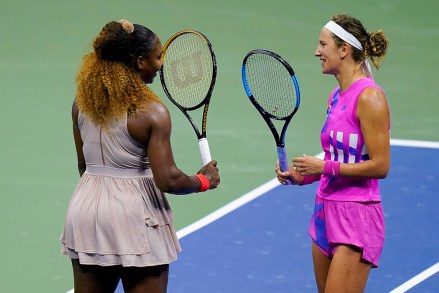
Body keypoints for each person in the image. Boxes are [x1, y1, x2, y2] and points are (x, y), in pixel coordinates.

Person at [60, 19, 220, 293]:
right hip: (134, 217)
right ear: (138, 62)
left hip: (86, 211)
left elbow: (83, 165)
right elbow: (168, 179)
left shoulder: (82, 104)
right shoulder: (151, 113)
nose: (161, 64)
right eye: (157, 57)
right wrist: (203, 180)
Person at [276, 14, 390, 293]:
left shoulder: (370, 98)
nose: (317, 52)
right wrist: (303, 176)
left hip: (357, 214)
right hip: (325, 210)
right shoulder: (336, 96)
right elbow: (340, 157)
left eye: (322, 45)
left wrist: (324, 168)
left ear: (343, 50)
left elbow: (380, 166)